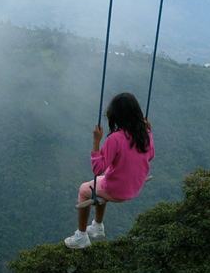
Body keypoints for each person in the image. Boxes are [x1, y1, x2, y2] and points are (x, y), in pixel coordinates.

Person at [64, 92, 154, 249]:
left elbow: (98, 169)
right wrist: (150, 131)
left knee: (84, 189)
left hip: (118, 191)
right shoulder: (145, 133)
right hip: (135, 186)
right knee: (100, 182)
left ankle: (81, 236)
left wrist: (96, 142)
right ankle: (97, 226)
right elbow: (150, 156)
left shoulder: (115, 139)